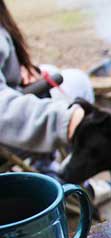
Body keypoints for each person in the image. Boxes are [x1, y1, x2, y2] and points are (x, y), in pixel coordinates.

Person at [0, 0, 88, 153]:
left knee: (49, 70)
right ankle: (57, 168)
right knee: (78, 82)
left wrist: (17, 67)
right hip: (7, 133)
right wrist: (65, 119)